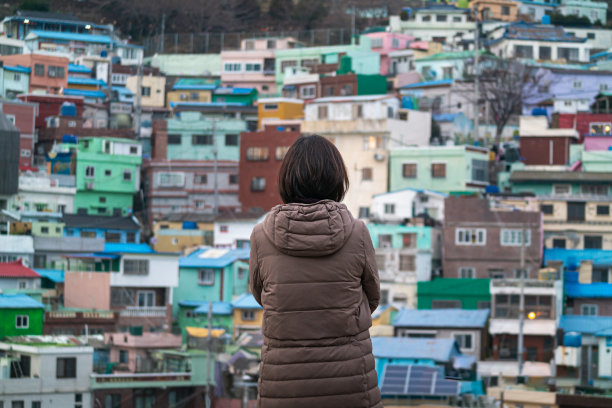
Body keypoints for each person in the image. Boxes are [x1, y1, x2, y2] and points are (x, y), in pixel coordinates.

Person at [249, 134, 382, 407]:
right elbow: (372, 296)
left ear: (287, 179)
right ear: (337, 178)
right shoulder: (357, 232)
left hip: (283, 385)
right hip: (350, 382)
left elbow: (261, 295)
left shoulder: (261, 235)